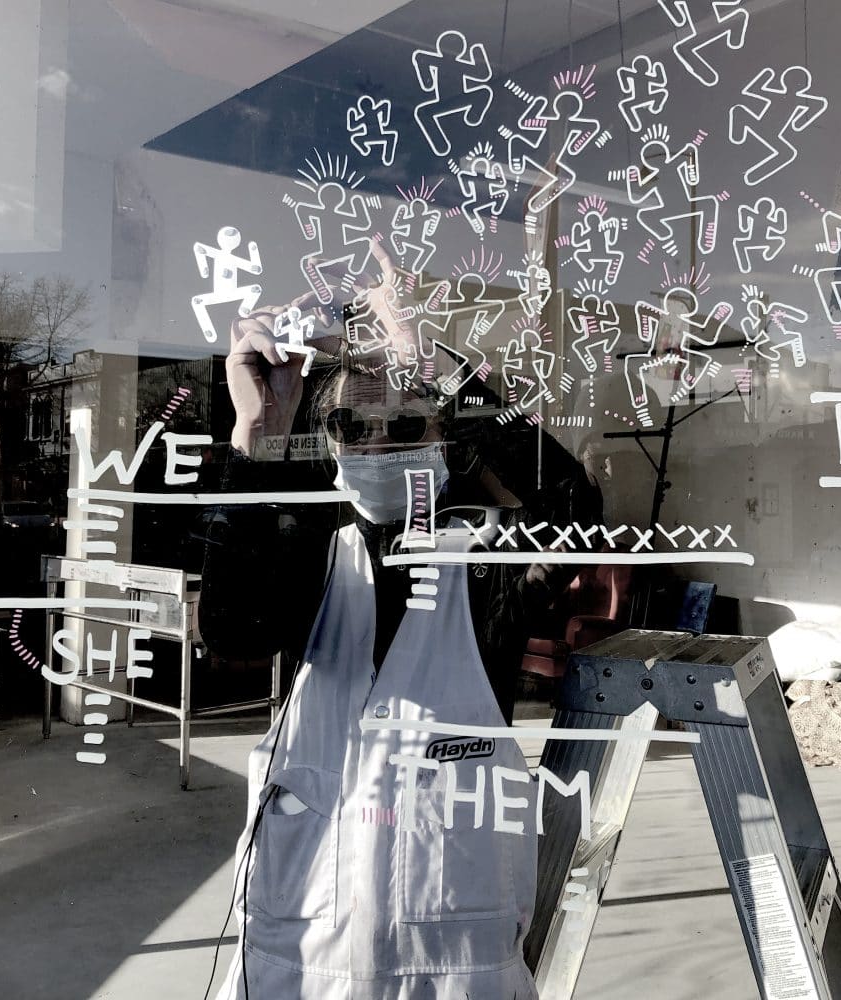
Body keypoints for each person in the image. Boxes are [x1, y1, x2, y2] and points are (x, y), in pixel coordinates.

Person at [200, 262, 602, 999]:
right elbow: (232, 631)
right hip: (301, 959)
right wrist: (257, 434)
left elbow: (574, 508)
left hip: (453, 969)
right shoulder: (314, 555)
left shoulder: (484, 569)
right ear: (328, 440)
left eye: (408, 424)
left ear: (446, 438)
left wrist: (431, 364)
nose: (380, 444)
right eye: (353, 425)